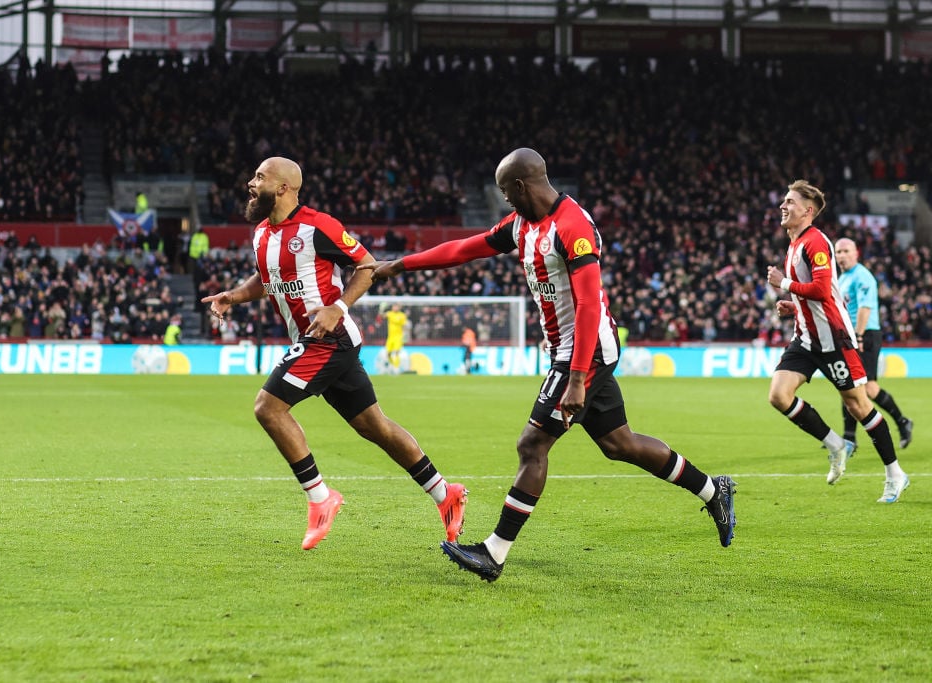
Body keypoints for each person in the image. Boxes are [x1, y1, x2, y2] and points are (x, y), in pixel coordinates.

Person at [360, 148, 736, 582]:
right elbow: (467, 248)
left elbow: (589, 305)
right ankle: (714, 490)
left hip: (584, 353)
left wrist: (576, 380)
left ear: (521, 186)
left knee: (532, 445)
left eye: (506, 191)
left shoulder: (573, 227)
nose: (504, 200)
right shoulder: (522, 223)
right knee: (620, 444)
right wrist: (400, 265)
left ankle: (493, 553)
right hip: (569, 352)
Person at [201, 156, 467, 550]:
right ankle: (446, 494)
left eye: (260, 177)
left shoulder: (317, 226)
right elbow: (267, 278)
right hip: (314, 340)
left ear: (285, 188)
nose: (250, 184)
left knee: (268, 408)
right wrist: (233, 296)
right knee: (373, 426)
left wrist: (336, 308)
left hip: (330, 338)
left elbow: (367, 265)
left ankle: (321, 498)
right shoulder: (261, 232)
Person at [765, 180, 908, 503]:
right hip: (805, 337)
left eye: (790, 202)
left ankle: (895, 474)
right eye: (784, 201)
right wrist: (794, 305)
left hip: (834, 340)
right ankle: (835, 443)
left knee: (859, 406)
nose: (783, 206)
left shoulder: (814, 242)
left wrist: (784, 283)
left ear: (808, 210)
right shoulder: (794, 242)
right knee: (778, 395)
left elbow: (820, 287)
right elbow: (815, 295)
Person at [834, 238, 913, 449]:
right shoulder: (842, 278)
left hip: (865, 335)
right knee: (848, 386)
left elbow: (865, 309)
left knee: (867, 387)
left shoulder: (862, 276)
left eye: (845, 251)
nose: (841, 255)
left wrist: (858, 335)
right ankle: (849, 437)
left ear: (856, 253)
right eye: (838, 252)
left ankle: (902, 421)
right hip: (849, 336)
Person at [381, 303, 408, 373]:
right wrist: (381, 309)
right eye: (394, 307)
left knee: (396, 352)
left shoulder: (402, 315)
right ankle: (392, 365)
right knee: (388, 353)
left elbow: (404, 325)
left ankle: (396, 367)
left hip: (398, 337)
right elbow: (382, 316)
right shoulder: (389, 313)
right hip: (390, 337)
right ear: (392, 307)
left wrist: (405, 335)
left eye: (396, 307)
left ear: (399, 308)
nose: (395, 308)